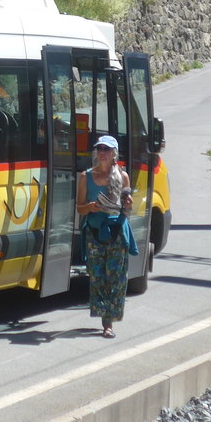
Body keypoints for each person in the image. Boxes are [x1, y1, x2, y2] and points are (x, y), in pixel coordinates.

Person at [76, 134, 137, 338]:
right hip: (94, 233)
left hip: (117, 232)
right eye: (99, 149)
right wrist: (91, 207)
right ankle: (104, 317)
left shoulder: (123, 176)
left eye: (106, 150)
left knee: (117, 278)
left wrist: (128, 204)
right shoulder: (86, 177)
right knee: (98, 277)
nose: (102, 153)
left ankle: (109, 322)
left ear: (114, 154)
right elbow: (80, 209)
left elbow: (127, 210)